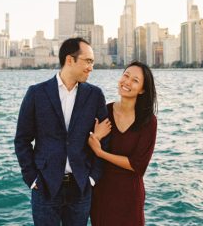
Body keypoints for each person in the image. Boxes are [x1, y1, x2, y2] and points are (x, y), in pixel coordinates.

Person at [14, 37, 110, 226]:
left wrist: (92, 178)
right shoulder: (36, 93)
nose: (91, 67)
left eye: (92, 62)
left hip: (81, 186)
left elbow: (105, 139)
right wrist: (32, 178)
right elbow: (22, 140)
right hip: (45, 186)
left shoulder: (95, 95)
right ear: (69, 60)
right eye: (88, 61)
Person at [89, 61, 158, 226]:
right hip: (102, 192)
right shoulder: (104, 111)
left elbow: (138, 165)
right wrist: (96, 137)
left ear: (142, 90)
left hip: (130, 196)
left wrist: (101, 153)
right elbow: (87, 148)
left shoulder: (148, 121)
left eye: (135, 80)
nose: (127, 82)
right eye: (126, 75)